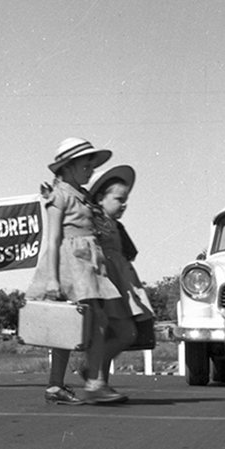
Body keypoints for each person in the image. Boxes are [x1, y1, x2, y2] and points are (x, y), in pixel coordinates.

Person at [25, 137, 124, 405]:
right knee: (94, 323)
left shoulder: (81, 196)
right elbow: (53, 238)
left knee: (68, 328)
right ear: (67, 166)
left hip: (87, 262)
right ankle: (94, 383)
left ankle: (57, 385)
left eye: (92, 165)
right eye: (85, 164)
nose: (90, 170)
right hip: (72, 263)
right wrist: (53, 280)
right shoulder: (59, 196)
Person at [87, 165, 155, 401]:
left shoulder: (117, 226)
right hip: (104, 281)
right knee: (116, 331)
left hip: (120, 283)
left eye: (125, 200)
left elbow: (129, 253)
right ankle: (96, 379)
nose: (123, 204)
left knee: (122, 332)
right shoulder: (93, 222)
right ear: (100, 198)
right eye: (118, 199)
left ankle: (97, 379)